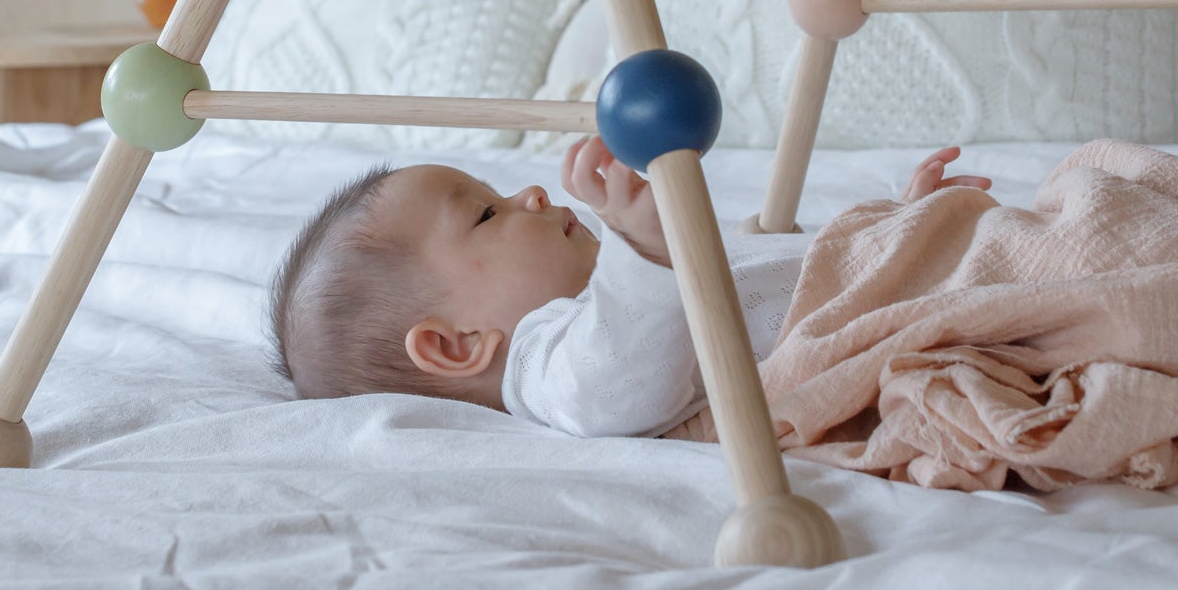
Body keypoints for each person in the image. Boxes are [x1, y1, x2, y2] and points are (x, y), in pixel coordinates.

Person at [270, 138, 994, 437]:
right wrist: (644, 245)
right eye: (486, 213)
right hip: (956, 298)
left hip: (930, 270)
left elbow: (783, 271)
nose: (525, 192)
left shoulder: (609, 299)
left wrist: (897, 223)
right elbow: (618, 383)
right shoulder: (548, 365)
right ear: (456, 345)